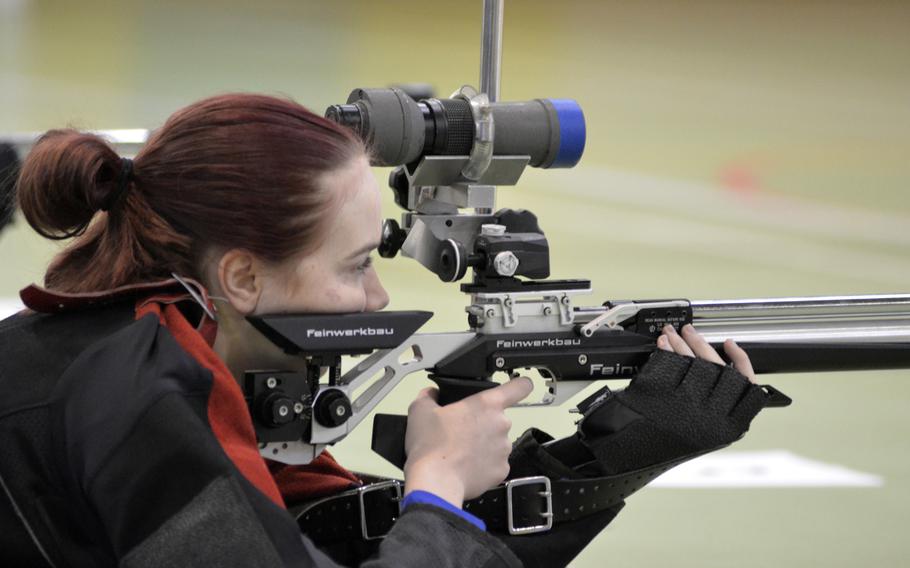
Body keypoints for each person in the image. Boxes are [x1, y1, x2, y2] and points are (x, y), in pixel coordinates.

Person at [0, 94, 769, 567]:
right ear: (240, 278)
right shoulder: (140, 402)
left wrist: (616, 451)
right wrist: (437, 483)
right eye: (357, 264)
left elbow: (331, 540)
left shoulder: (131, 351)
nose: (374, 297)